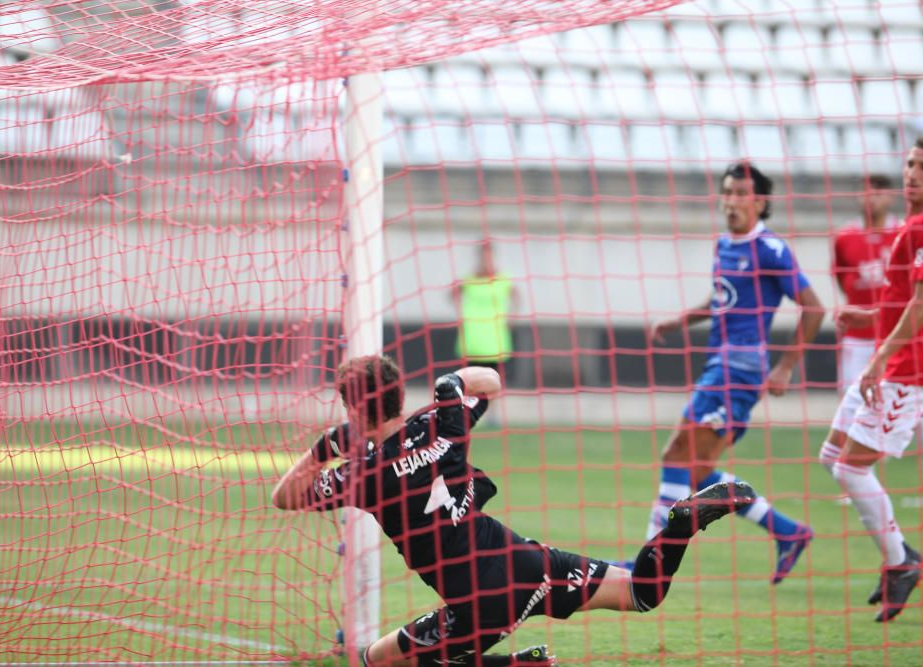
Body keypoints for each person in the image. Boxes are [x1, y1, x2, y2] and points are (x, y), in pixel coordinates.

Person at [272, 354, 755, 666]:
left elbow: (285, 496)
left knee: (376, 663)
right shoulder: (441, 423)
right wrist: (453, 381)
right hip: (527, 564)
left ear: (352, 410)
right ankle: (679, 526)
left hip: (478, 606)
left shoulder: (364, 473)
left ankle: (517, 664)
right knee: (643, 592)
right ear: (399, 394)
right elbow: (492, 383)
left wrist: (326, 447)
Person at [639, 161, 824, 585]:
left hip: (739, 369)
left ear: (760, 201)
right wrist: (678, 321)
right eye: (726, 192)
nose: (732, 201)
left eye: (741, 193)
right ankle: (788, 532)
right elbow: (720, 299)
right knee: (700, 468)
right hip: (719, 363)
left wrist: (785, 367)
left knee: (675, 457)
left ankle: (647, 564)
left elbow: (814, 308)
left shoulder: (770, 249)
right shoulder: (724, 244)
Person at [819, 137, 923, 622]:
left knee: (852, 468)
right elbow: (903, 305)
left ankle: (901, 563)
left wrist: (878, 358)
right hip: (889, 360)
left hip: (908, 370)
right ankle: (901, 557)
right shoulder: (912, 226)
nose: (913, 173)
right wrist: (867, 319)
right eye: (909, 164)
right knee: (832, 456)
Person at [829, 174, 923, 499]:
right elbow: (845, 282)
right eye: (866, 190)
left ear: (889, 196)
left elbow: (921, 290)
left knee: (917, 410)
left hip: (901, 339)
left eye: (879, 191)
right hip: (859, 337)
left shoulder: (908, 230)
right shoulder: (844, 237)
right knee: (853, 403)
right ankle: (858, 475)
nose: (872, 197)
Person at [452, 238, 518, 381]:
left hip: (495, 338)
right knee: (471, 381)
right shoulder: (469, 279)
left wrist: (512, 318)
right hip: (473, 338)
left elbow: (516, 297)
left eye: (489, 256)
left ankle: (490, 403)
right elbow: (454, 293)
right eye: (483, 256)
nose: (486, 260)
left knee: (493, 380)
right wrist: (460, 316)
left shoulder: (503, 279)